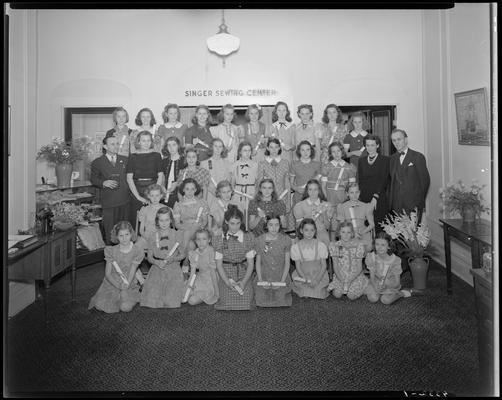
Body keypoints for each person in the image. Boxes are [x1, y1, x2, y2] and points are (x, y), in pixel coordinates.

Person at [88, 221, 144, 313]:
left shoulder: (137, 251)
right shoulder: (111, 251)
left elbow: (133, 270)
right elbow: (108, 274)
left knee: (125, 308)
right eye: (121, 236)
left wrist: (126, 285)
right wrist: (118, 286)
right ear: (117, 237)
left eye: (127, 234)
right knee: (99, 305)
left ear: (131, 234)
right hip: (113, 280)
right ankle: (118, 297)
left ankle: (127, 298)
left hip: (128, 281)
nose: (124, 238)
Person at [140, 207, 186, 308]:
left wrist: (173, 259)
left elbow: (183, 255)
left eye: (167, 220)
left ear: (171, 220)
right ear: (157, 221)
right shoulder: (153, 236)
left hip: (173, 268)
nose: (164, 223)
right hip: (157, 268)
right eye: (161, 220)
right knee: (153, 301)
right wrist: (157, 262)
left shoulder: (176, 234)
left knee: (171, 302)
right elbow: (150, 258)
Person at [213, 205, 256, 311]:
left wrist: (244, 282)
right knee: (226, 303)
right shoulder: (219, 239)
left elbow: (251, 264)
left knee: (246, 303)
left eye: (238, 223)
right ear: (226, 222)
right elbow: (219, 265)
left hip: (243, 274)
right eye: (232, 223)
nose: (235, 227)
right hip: (227, 275)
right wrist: (227, 282)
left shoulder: (248, 238)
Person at [90, 135, 130, 244]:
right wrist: (103, 183)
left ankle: (125, 256)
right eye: (112, 144)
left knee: (124, 230)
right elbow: (93, 179)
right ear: (105, 146)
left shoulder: (126, 160)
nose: (116, 146)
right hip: (108, 202)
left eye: (117, 144)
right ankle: (111, 256)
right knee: (110, 231)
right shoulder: (97, 162)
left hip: (124, 201)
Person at [389, 128, 430, 223]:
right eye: (394, 140)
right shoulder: (391, 159)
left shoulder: (418, 157)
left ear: (406, 140)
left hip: (413, 204)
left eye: (399, 139)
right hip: (396, 205)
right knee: (399, 235)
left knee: (413, 235)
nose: (396, 143)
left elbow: (425, 182)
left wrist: (418, 202)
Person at [126, 131, 164, 230]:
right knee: (137, 221)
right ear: (138, 142)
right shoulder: (132, 157)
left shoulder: (157, 156)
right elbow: (129, 178)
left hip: (154, 189)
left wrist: (155, 193)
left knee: (154, 218)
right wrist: (138, 197)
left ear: (151, 142)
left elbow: (160, 175)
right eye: (143, 140)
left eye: (148, 140)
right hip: (137, 191)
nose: (146, 143)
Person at [253, 215, 293, 307]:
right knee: (261, 300)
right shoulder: (259, 240)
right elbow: (258, 262)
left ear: (280, 225)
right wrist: (261, 280)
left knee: (281, 300)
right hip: (264, 274)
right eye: (271, 225)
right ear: (266, 226)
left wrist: (282, 281)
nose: (274, 228)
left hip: (280, 274)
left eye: (277, 225)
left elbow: (287, 263)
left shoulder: (286, 240)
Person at [364, 232, 412, 305]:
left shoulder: (395, 260)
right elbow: (372, 277)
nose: (379, 247)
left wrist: (387, 286)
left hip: (390, 284)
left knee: (385, 300)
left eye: (383, 245)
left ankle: (401, 293)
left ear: (389, 246)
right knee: (373, 299)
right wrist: (376, 286)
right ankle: (377, 291)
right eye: (377, 244)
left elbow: (397, 282)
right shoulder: (372, 257)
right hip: (376, 282)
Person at [328, 222, 369, 300]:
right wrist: (341, 280)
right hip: (340, 275)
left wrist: (350, 280)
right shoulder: (334, 246)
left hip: (355, 275)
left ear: (352, 233)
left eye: (348, 232)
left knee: (351, 296)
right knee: (337, 294)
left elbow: (359, 267)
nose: (346, 235)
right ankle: (341, 285)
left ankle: (361, 286)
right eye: (343, 232)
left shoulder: (358, 246)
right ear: (339, 233)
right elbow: (335, 266)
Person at [290, 218, 330, 299]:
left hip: (318, 274)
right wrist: (306, 280)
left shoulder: (320, 245)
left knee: (319, 292)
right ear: (301, 231)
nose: (309, 233)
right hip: (303, 274)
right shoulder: (296, 247)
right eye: (306, 230)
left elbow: (324, 266)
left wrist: (317, 280)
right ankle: (305, 289)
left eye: (312, 230)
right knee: (305, 292)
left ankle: (317, 288)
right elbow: (298, 267)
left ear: (315, 231)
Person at [357, 134, 390, 232]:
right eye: (367, 145)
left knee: (379, 225)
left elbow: (384, 180)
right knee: (366, 225)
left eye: (372, 145)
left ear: (378, 145)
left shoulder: (385, 160)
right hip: (365, 197)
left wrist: (375, 197)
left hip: (379, 197)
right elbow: (361, 180)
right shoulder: (361, 161)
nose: (370, 148)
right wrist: (360, 198)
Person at [321, 141, 357, 229]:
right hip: (331, 202)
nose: (336, 154)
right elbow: (323, 186)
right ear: (330, 154)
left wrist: (350, 200)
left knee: (344, 226)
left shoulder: (349, 167)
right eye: (333, 152)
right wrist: (327, 200)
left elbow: (352, 187)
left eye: (338, 151)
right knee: (332, 227)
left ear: (342, 151)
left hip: (344, 201)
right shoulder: (327, 167)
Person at [256, 138, 291, 224]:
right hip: (268, 198)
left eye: (276, 147)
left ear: (279, 148)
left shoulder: (285, 162)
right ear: (267, 148)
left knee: (282, 224)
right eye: (271, 147)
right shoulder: (262, 163)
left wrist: (289, 200)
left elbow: (287, 183)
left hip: (282, 197)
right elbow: (259, 184)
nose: (274, 150)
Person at [293, 179, 334, 247]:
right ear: (307, 191)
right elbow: (298, 227)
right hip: (306, 236)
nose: (313, 192)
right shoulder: (299, 206)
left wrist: (323, 214)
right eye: (310, 189)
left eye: (315, 189)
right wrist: (313, 216)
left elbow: (327, 226)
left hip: (322, 236)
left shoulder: (326, 205)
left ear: (319, 190)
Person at [184, 229, 219, 306]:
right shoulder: (194, 253)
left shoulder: (211, 252)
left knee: (191, 301)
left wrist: (217, 293)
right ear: (195, 241)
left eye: (204, 239)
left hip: (211, 280)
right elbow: (193, 273)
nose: (201, 242)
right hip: (200, 277)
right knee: (183, 295)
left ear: (209, 240)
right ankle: (193, 292)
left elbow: (213, 273)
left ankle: (203, 294)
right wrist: (188, 286)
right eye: (198, 239)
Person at [173, 178, 210, 250]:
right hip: (184, 230)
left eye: (192, 189)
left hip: (199, 230)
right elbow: (177, 224)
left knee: (189, 236)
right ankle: (186, 259)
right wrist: (188, 228)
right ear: (183, 190)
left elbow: (205, 221)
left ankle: (182, 255)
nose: (190, 192)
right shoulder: (178, 205)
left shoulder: (202, 203)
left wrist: (198, 227)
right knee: (190, 245)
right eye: (187, 189)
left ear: (196, 190)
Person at [336, 183, 375, 251]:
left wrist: (362, 233)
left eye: (356, 192)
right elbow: (341, 225)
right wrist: (352, 233)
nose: (354, 195)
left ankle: (363, 260)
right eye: (351, 192)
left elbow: (372, 224)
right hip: (348, 233)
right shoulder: (342, 207)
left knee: (368, 247)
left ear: (359, 192)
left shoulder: (366, 206)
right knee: (350, 247)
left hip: (363, 232)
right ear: (347, 194)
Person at [289, 140, 322, 207]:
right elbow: (291, 183)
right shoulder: (294, 164)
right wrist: (297, 189)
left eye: (308, 150)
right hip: (299, 197)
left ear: (311, 151)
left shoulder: (317, 164)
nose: (305, 152)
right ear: (299, 151)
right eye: (303, 150)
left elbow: (320, 183)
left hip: (313, 198)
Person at [200, 138, 233, 204]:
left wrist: (223, 191)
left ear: (223, 148)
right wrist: (211, 190)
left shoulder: (227, 163)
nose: (218, 149)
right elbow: (203, 183)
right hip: (210, 196)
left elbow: (229, 180)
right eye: (216, 146)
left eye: (220, 147)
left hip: (223, 197)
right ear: (212, 147)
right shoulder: (204, 163)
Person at [232, 141, 258, 219]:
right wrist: (233, 193)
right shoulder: (235, 165)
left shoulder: (255, 164)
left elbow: (257, 181)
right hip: (238, 193)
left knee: (250, 216)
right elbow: (232, 181)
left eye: (249, 150)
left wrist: (255, 194)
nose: (247, 153)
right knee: (239, 216)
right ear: (240, 152)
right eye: (245, 150)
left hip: (251, 192)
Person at [160, 136, 186, 209]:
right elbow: (162, 177)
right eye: (169, 145)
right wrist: (162, 187)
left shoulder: (184, 161)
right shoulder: (163, 161)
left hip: (180, 193)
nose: (171, 148)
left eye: (174, 145)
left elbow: (186, 178)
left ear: (178, 146)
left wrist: (177, 183)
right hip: (165, 192)